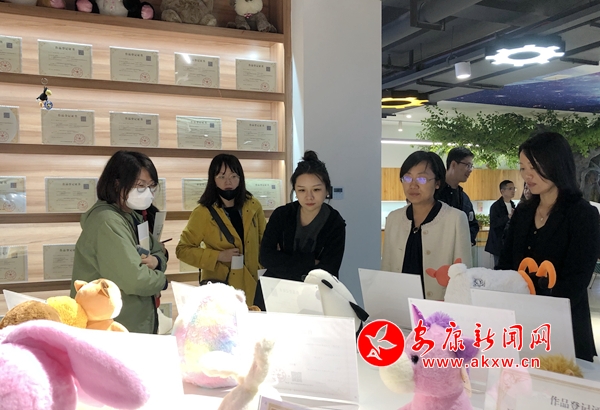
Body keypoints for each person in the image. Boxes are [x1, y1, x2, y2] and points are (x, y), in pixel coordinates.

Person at [498, 132, 600, 362]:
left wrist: (538, 314)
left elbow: (576, 281)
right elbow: (505, 266)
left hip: (564, 328)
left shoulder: (583, 214)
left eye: (534, 167)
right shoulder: (523, 212)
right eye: (523, 168)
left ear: (557, 164)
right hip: (518, 325)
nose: (527, 175)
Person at [71, 150, 168, 334]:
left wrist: (157, 261)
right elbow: (135, 279)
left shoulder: (130, 215)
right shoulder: (108, 221)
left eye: (151, 186)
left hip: (132, 322)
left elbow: (157, 250)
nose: (147, 193)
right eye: (140, 186)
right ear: (117, 184)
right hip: (113, 327)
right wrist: (162, 280)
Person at [255, 150, 346, 309]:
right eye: (302, 190)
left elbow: (328, 270)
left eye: (316, 190)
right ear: (295, 191)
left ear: (327, 190)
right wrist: (310, 261)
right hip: (274, 292)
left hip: (316, 296)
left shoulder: (334, 223)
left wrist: (283, 260)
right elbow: (266, 257)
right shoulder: (282, 215)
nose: (309, 197)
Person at [176, 154, 266, 306]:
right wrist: (218, 256)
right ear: (213, 179)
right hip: (222, 287)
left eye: (233, 176)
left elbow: (264, 241)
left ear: (240, 178)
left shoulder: (253, 205)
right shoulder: (203, 212)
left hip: (253, 284)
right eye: (222, 176)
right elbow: (182, 250)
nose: (228, 182)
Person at [382, 151, 472, 300]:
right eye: (407, 177)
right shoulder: (394, 219)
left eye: (422, 178)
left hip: (439, 308)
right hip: (399, 305)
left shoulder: (455, 219)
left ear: (437, 183)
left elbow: (463, 276)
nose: (413, 185)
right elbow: (387, 267)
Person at [438, 147, 479, 245]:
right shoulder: (435, 193)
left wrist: (466, 241)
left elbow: (473, 225)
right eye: (468, 165)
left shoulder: (464, 198)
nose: (470, 170)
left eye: (471, 166)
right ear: (453, 164)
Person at [485, 180, 516, 266]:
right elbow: (494, 224)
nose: (513, 191)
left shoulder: (513, 205)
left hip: (509, 242)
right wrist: (508, 217)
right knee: (499, 266)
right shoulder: (495, 206)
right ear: (502, 191)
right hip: (498, 243)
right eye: (510, 189)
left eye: (514, 188)